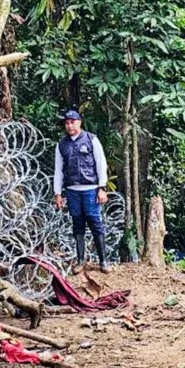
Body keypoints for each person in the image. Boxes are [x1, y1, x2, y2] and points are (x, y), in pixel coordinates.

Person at [53, 109, 111, 274]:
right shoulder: (61, 144)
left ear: (79, 122)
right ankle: (80, 261)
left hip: (91, 189)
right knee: (77, 224)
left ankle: (103, 261)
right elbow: (58, 170)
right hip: (72, 190)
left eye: (73, 122)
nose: (70, 126)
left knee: (95, 222)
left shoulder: (92, 139)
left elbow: (101, 164)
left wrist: (102, 188)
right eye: (67, 123)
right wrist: (58, 193)